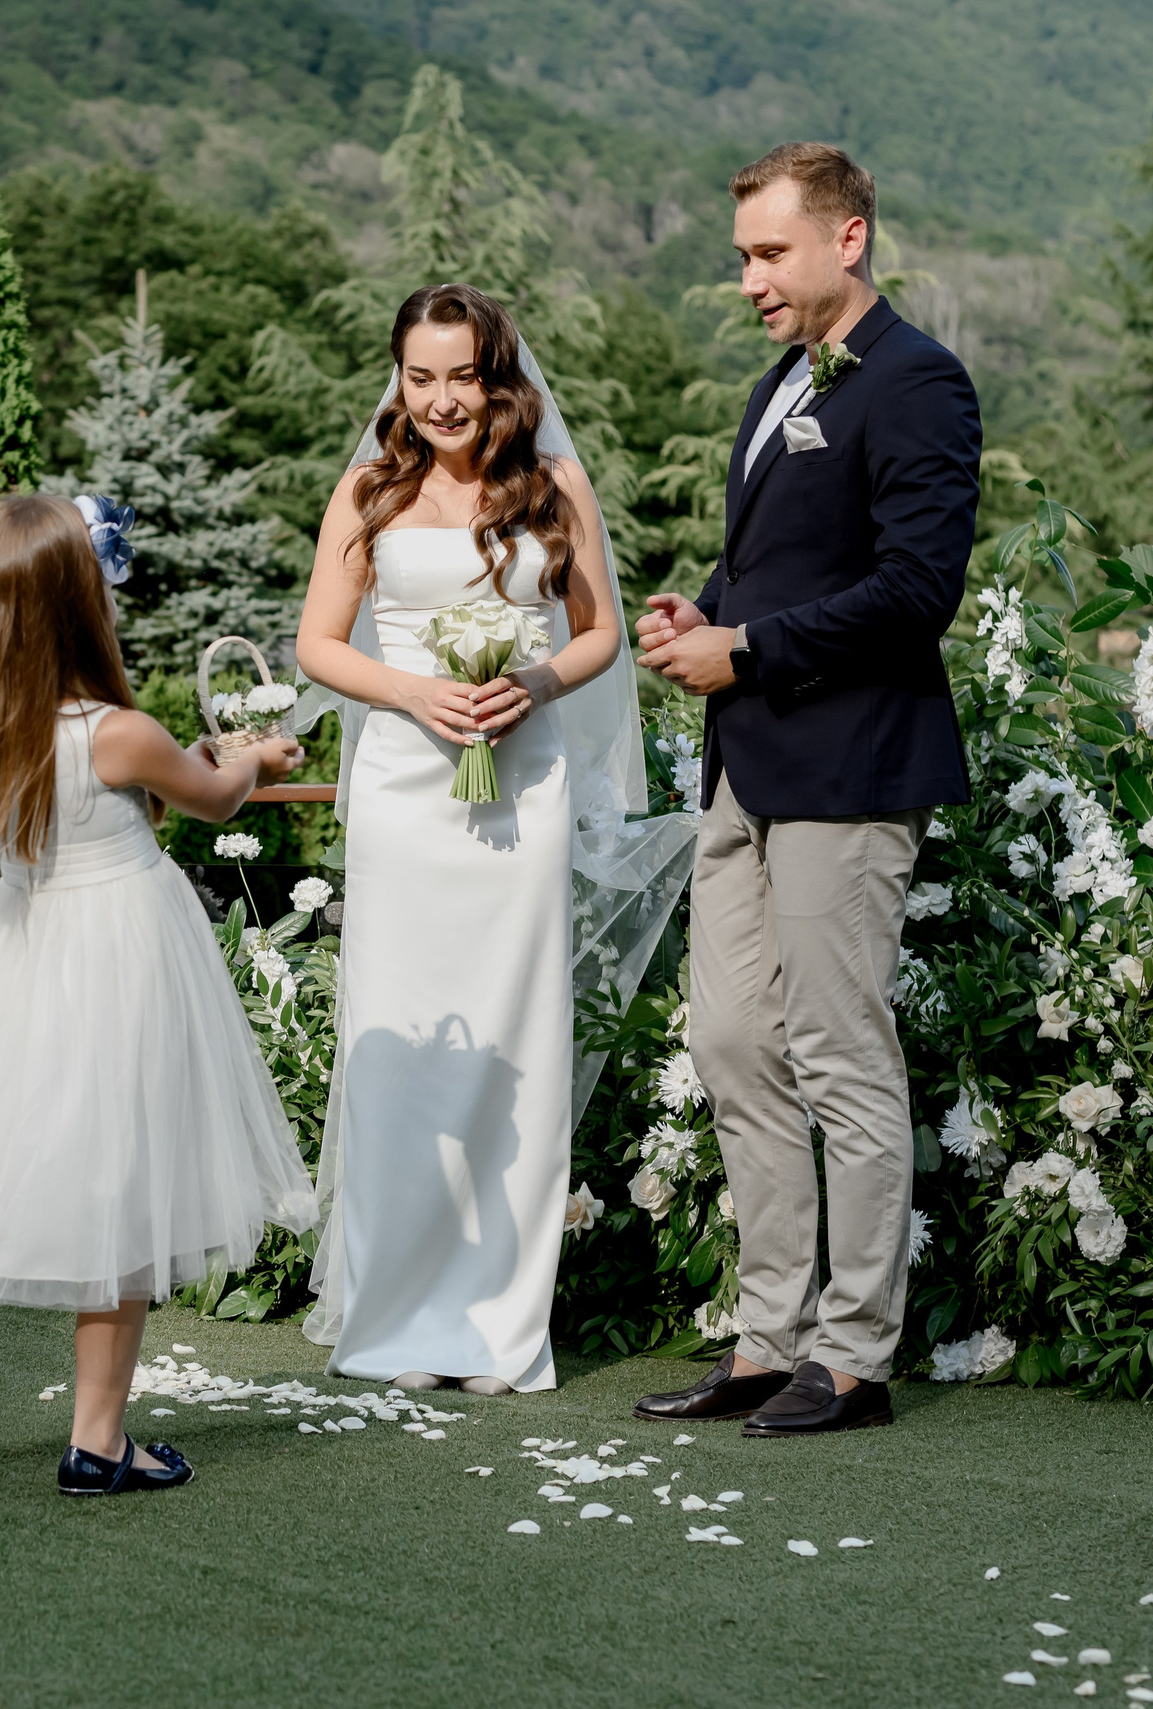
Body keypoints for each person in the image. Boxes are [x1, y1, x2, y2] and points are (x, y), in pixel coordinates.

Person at [0, 492, 316, 1514]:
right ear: (78, 602)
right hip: (122, 960)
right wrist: (255, 758)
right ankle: (97, 1441)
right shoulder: (120, 730)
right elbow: (214, 796)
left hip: (22, 962)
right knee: (126, 1189)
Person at [634, 144, 981, 1435]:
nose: (749, 281)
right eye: (742, 257)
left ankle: (855, 1356)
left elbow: (916, 591)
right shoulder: (783, 382)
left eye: (770, 253)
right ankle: (767, 1339)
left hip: (848, 768)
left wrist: (752, 649)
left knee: (841, 1053)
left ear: (850, 239)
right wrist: (706, 614)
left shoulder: (919, 381)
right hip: (748, 766)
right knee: (732, 1042)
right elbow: (780, 564)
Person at [291, 283, 670, 1396]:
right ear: (398, 380)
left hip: (523, 786)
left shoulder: (554, 486)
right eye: (420, 376)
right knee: (402, 1048)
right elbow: (318, 642)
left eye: (463, 375)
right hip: (406, 797)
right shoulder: (366, 487)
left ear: (500, 381)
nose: (442, 399)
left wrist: (532, 680)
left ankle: (500, 1330)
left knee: (514, 1050)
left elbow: (598, 631)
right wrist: (415, 692)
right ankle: (396, 1319)